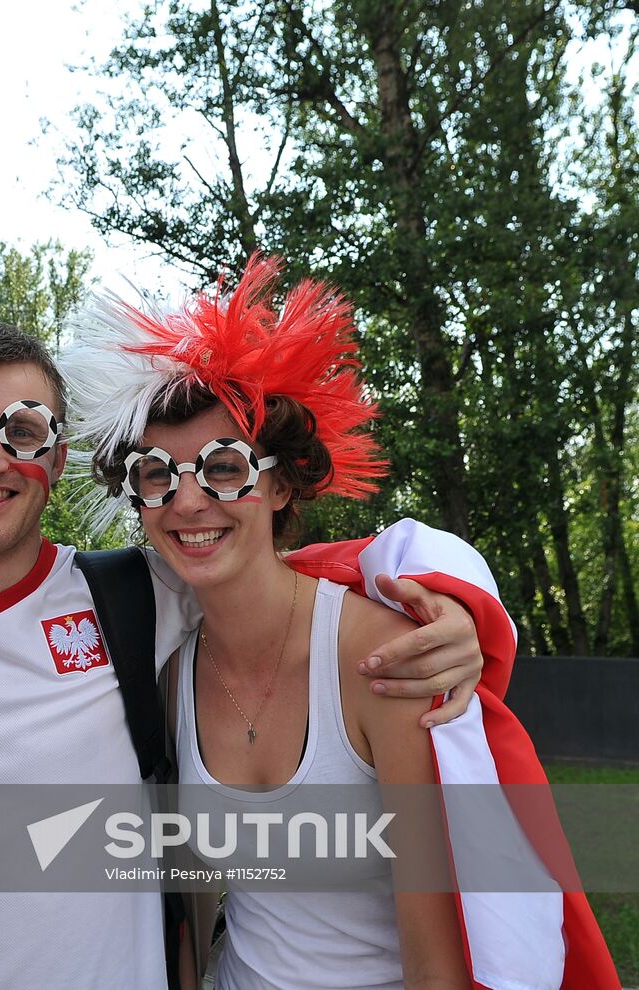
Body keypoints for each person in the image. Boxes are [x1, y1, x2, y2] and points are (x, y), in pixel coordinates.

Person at [0, 321, 509, 989]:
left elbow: (312, 570)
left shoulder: (140, 599)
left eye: (24, 432)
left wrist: (458, 599)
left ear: (57, 460)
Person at [61, 257, 618, 988]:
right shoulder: (169, 671)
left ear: (282, 480)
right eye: (157, 475)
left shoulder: (385, 661)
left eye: (224, 466)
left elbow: (437, 961)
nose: (187, 502)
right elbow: (191, 907)